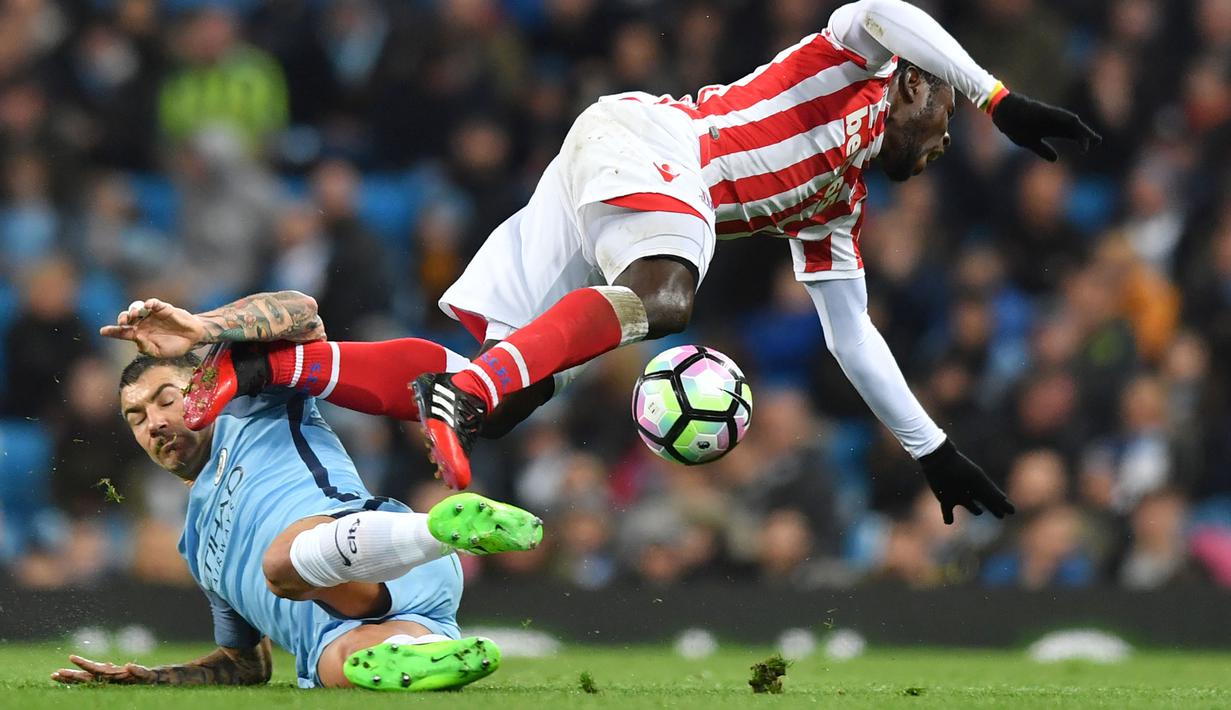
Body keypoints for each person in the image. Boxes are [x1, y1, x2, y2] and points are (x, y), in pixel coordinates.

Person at [404, 0, 1098, 524]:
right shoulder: (850, 68)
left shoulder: (834, 206)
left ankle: (305, 367)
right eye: (946, 115)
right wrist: (992, 97)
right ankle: (465, 390)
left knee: (502, 405)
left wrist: (931, 450)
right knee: (666, 298)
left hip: (620, 174)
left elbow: (851, 335)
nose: (944, 141)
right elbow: (878, 10)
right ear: (916, 86)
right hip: (654, 141)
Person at [52, 291, 543, 691]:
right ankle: (422, 649)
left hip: (382, 550)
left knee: (280, 565)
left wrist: (204, 328)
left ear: (202, 387)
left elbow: (302, 312)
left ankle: (441, 530)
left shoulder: (255, 403)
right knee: (348, 664)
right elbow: (247, 666)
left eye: (165, 401)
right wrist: (151, 678)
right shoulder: (198, 549)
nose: (154, 423)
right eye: (136, 418)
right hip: (354, 620)